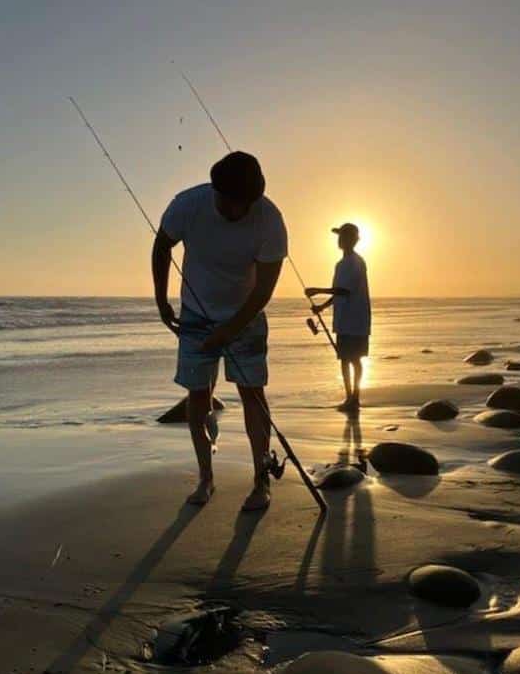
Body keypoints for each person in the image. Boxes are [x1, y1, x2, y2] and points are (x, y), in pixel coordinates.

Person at [152, 151, 288, 509]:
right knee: (198, 395)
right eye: (225, 201)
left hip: (247, 313)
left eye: (239, 204)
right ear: (215, 190)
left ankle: (261, 482)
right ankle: (206, 479)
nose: (230, 210)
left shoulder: (270, 221)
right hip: (195, 314)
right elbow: (162, 244)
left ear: (253, 200)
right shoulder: (188, 205)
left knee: (252, 394)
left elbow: (264, 290)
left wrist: (231, 329)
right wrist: (161, 300)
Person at [305, 223, 371, 413]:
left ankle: (355, 398)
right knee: (344, 359)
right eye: (340, 237)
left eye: (344, 236)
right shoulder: (340, 264)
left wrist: (317, 290)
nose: (340, 240)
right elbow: (338, 293)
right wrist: (322, 307)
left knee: (355, 359)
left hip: (356, 319)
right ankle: (349, 396)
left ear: (353, 240)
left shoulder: (357, 263)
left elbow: (345, 290)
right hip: (343, 320)